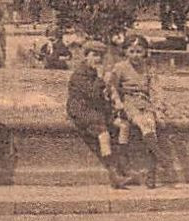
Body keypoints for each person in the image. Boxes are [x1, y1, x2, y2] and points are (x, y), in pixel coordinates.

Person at [107, 34, 178, 188]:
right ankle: (161, 157)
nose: (135, 56)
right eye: (131, 51)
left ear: (145, 52)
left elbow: (155, 90)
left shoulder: (148, 69)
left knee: (151, 125)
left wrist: (158, 108)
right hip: (128, 103)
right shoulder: (120, 68)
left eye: (139, 52)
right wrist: (117, 102)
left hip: (144, 103)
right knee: (143, 123)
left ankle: (151, 174)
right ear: (125, 52)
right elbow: (112, 86)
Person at [67, 43, 136, 188]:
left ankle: (123, 164)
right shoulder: (79, 74)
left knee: (123, 125)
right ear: (86, 56)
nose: (98, 59)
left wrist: (115, 101)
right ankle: (113, 175)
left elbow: (108, 92)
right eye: (94, 55)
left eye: (100, 56)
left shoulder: (98, 73)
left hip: (97, 109)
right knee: (103, 134)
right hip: (82, 109)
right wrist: (100, 78)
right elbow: (92, 94)